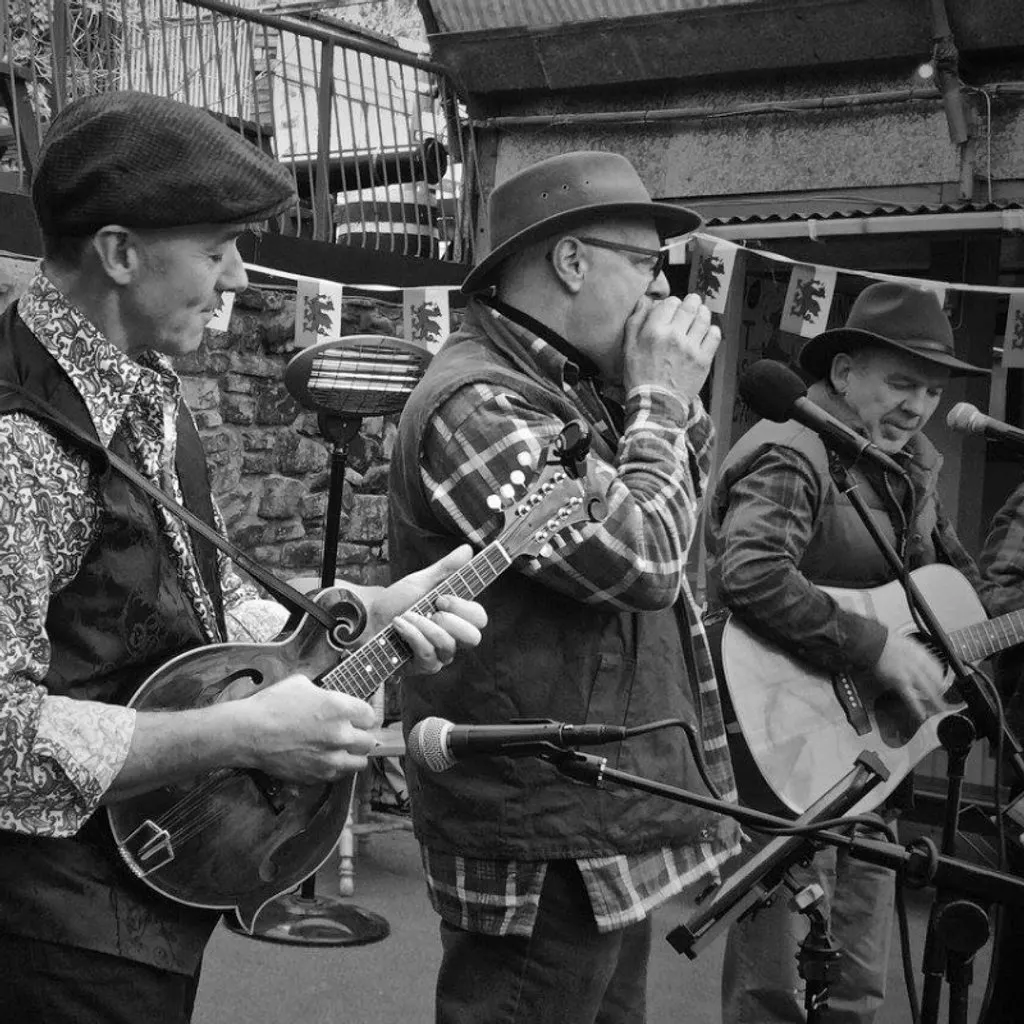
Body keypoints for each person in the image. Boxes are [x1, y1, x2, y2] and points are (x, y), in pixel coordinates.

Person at [0, 91, 487, 1024]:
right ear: (120, 251)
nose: (237, 276)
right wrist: (245, 736)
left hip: (147, 894)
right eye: (217, 245)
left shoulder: (148, 387)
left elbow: (209, 599)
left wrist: (363, 612)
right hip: (42, 933)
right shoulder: (17, 441)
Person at [387, 149, 742, 1023]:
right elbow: (647, 562)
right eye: (646, 265)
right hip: (533, 824)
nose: (662, 297)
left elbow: (669, 528)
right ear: (572, 262)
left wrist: (656, 403)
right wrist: (660, 400)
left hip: (590, 809)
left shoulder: (572, 387)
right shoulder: (478, 403)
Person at [704, 280, 992, 1023]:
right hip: (782, 738)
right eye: (902, 383)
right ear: (842, 373)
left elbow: (960, 598)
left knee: (859, 981)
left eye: (931, 390)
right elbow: (751, 572)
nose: (918, 406)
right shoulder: (795, 451)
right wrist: (877, 651)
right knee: (777, 986)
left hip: (868, 753)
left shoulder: (909, 468)